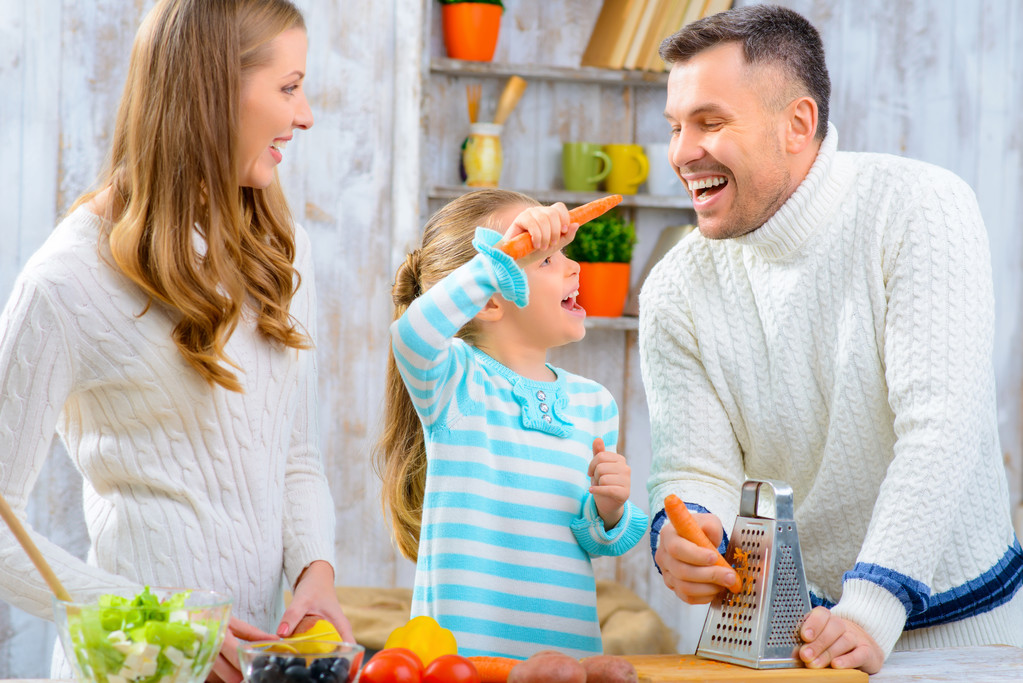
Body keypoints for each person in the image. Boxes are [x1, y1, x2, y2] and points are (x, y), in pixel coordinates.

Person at [639, 4, 1023, 675]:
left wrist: (869, 609)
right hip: (804, 647)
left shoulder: (919, 207)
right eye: (675, 127)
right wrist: (686, 528)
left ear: (797, 124)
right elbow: (693, 467)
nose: (680, 152)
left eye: (709, 122)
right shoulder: (673, 288)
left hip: (971, 645)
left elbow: (941, 430)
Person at [0, 1, 352, 681]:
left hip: (250, 664)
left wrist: (316, 570)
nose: (305, 115)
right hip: (130, 668)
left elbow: (292, 451)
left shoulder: (281, 251)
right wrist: (159, 621)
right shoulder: (66, 280)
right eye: (288, 88)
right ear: (211, 90)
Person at [377, 189, 649, 659]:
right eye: (545, 259)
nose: (573, 267)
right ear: (488, 300)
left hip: (566, 660)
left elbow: (590, 538)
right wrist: (496, 263)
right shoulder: (457, 383)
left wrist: (609, 509)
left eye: (563, 253)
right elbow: (412, 334)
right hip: (467, 662)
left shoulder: (594, 404)